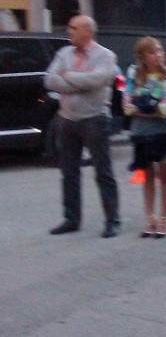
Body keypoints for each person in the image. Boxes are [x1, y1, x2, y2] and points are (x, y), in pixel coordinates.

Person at [44, 14, 120, 238]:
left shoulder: (105, 56)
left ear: (87, 31)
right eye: (69, 27)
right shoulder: (63, 53)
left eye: (74, 28)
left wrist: (68, 78)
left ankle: (112, 221)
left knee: (103, 172)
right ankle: (71, 218)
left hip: (94, 119)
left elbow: (98, 80)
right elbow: (49, 79)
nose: (69, 31)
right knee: (68, 172)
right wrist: (79, 82)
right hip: (66, 119)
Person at [122, 37, 166, 238]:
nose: (158, 55)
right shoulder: (133, 74)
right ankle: (149, 218)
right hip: (141, 132)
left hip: (163, 132)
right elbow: (127, 106)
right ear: (142, 56)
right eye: (152, 52)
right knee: (148, 175)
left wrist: (144, 108)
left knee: (165, 173)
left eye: (159, 50)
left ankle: (163, 219)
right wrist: (148, 108)